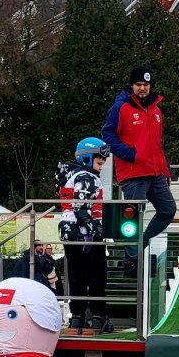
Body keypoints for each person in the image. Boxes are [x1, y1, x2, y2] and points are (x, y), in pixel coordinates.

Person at [102, 66, 177, 269]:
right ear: (131, 85)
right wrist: (130, 154)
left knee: (168, 209)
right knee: (133, 217)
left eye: (145, 85)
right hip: (133, 172)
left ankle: (140, 244)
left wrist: (166, 169)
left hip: (156, 172)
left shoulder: (156, 109)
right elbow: (107, 135)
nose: (142, 88)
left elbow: (158, 143)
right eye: (138, 85)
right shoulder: (121, 107)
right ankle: (131, 260)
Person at [56, 137, 113, 334]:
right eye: (99, 162)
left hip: (68, 232)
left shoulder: (69, 175)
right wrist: (88, 232)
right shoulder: (86, 176)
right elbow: (81, 205)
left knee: (76, 275)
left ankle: (77, 317)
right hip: (86, 232)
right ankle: (98, 316)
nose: (101, 167)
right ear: (87, 159)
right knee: (97, 275)